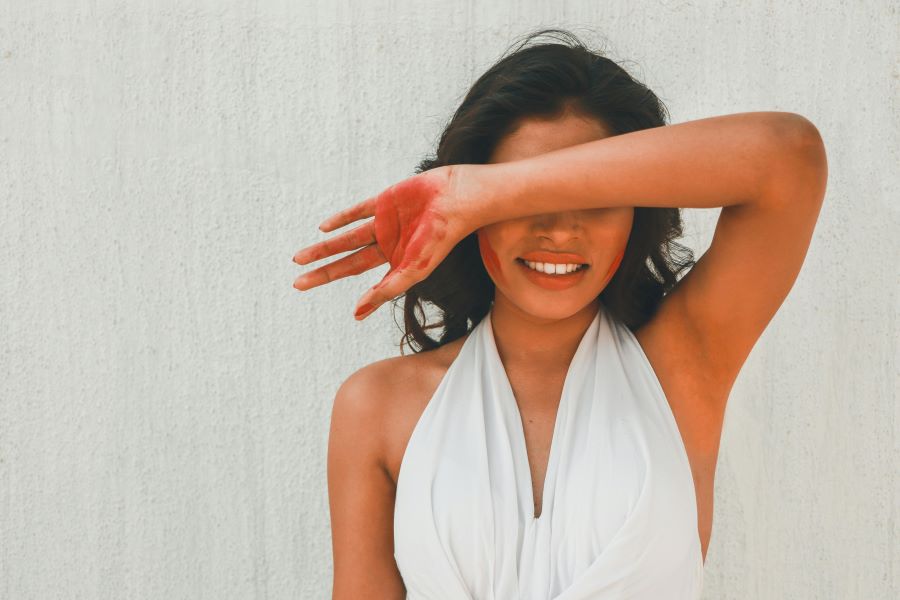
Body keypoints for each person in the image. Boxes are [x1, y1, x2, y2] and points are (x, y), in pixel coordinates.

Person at [293, 29, 827, 600]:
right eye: (527, 203)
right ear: (470, 218)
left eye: (594, 202)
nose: (561, 231)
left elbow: (788, 154)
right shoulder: (376, 407)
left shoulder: (684, 362)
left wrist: (499, 189)